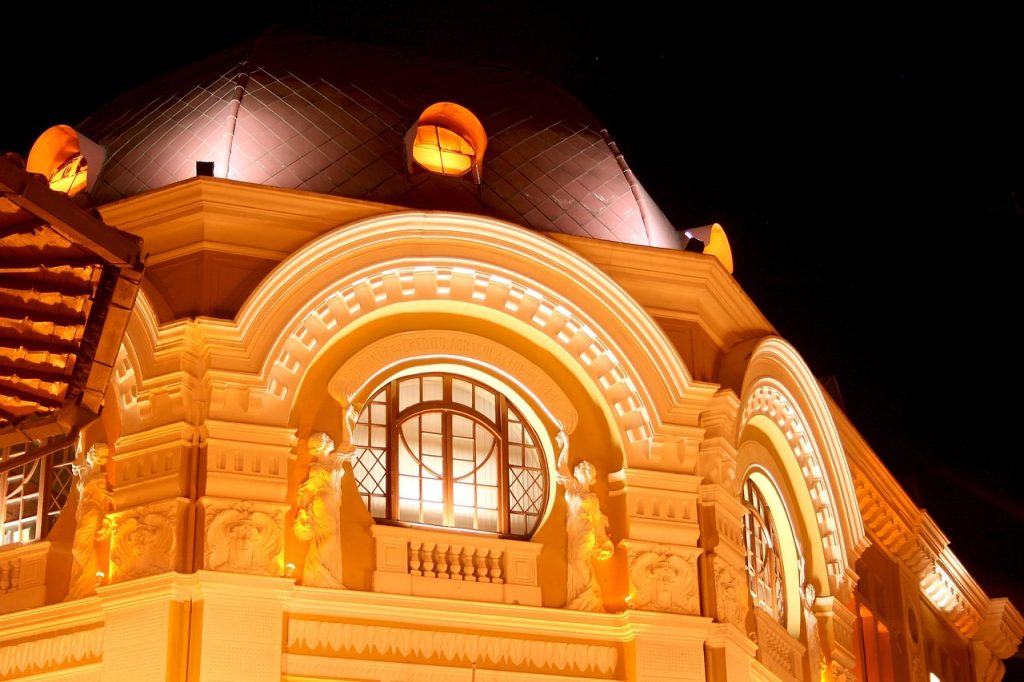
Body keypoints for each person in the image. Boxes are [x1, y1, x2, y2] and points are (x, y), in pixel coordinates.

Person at [556, 432, 613, 611]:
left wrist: (605, 541)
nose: (578, 467)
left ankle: (586, 594)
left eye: (582, 467)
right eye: (579, 466)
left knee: (578, 562)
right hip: (574, 531)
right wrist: (566, 443)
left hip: (586, 531)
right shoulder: (572, 487)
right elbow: (562, 467)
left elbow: (597, 522)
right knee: (575, 562)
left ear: (588, 474)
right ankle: (587, 593)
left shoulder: (592, 498)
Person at [294, 432, 344, 587]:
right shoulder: (316, 468)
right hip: (323, 502)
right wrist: (303, 511)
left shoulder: (335, 461)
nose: (331, 440)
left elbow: (349, 443)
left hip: (333, 503)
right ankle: (313, 568)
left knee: (331, 537)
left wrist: (346, 415)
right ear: (322, 445)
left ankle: (319, 570)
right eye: (327, 439)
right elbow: (307, 491)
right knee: (330, 536)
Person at [67, 443, 112, 600]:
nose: (103, 459)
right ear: (92, 455)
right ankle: (85, 580)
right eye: (100, 455)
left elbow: (105, 499)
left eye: (105, 457)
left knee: (79, 548)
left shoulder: (100, 478)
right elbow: (80, 461)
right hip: (83, 512)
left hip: (91, 512)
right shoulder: (86, 473)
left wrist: (103, 519)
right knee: (79, 548)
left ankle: (88, 580)